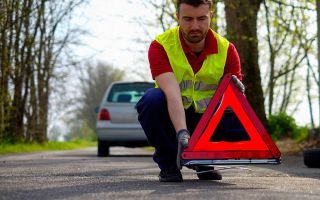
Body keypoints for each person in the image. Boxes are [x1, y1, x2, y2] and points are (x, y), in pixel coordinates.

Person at [136, 0, 243, 182]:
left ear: (211, 16)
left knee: (241, 127)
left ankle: (203, 161)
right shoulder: (161, 46)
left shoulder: (227, 50)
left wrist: (239, 94)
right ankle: (169, 164)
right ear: (177, 17)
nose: (195, 26)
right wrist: (183, 135)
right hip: (174, 117)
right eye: (187, 19)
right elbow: (172, 93)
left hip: (207, 120)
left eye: (201, 18)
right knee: (151, 100)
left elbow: (233, 102)